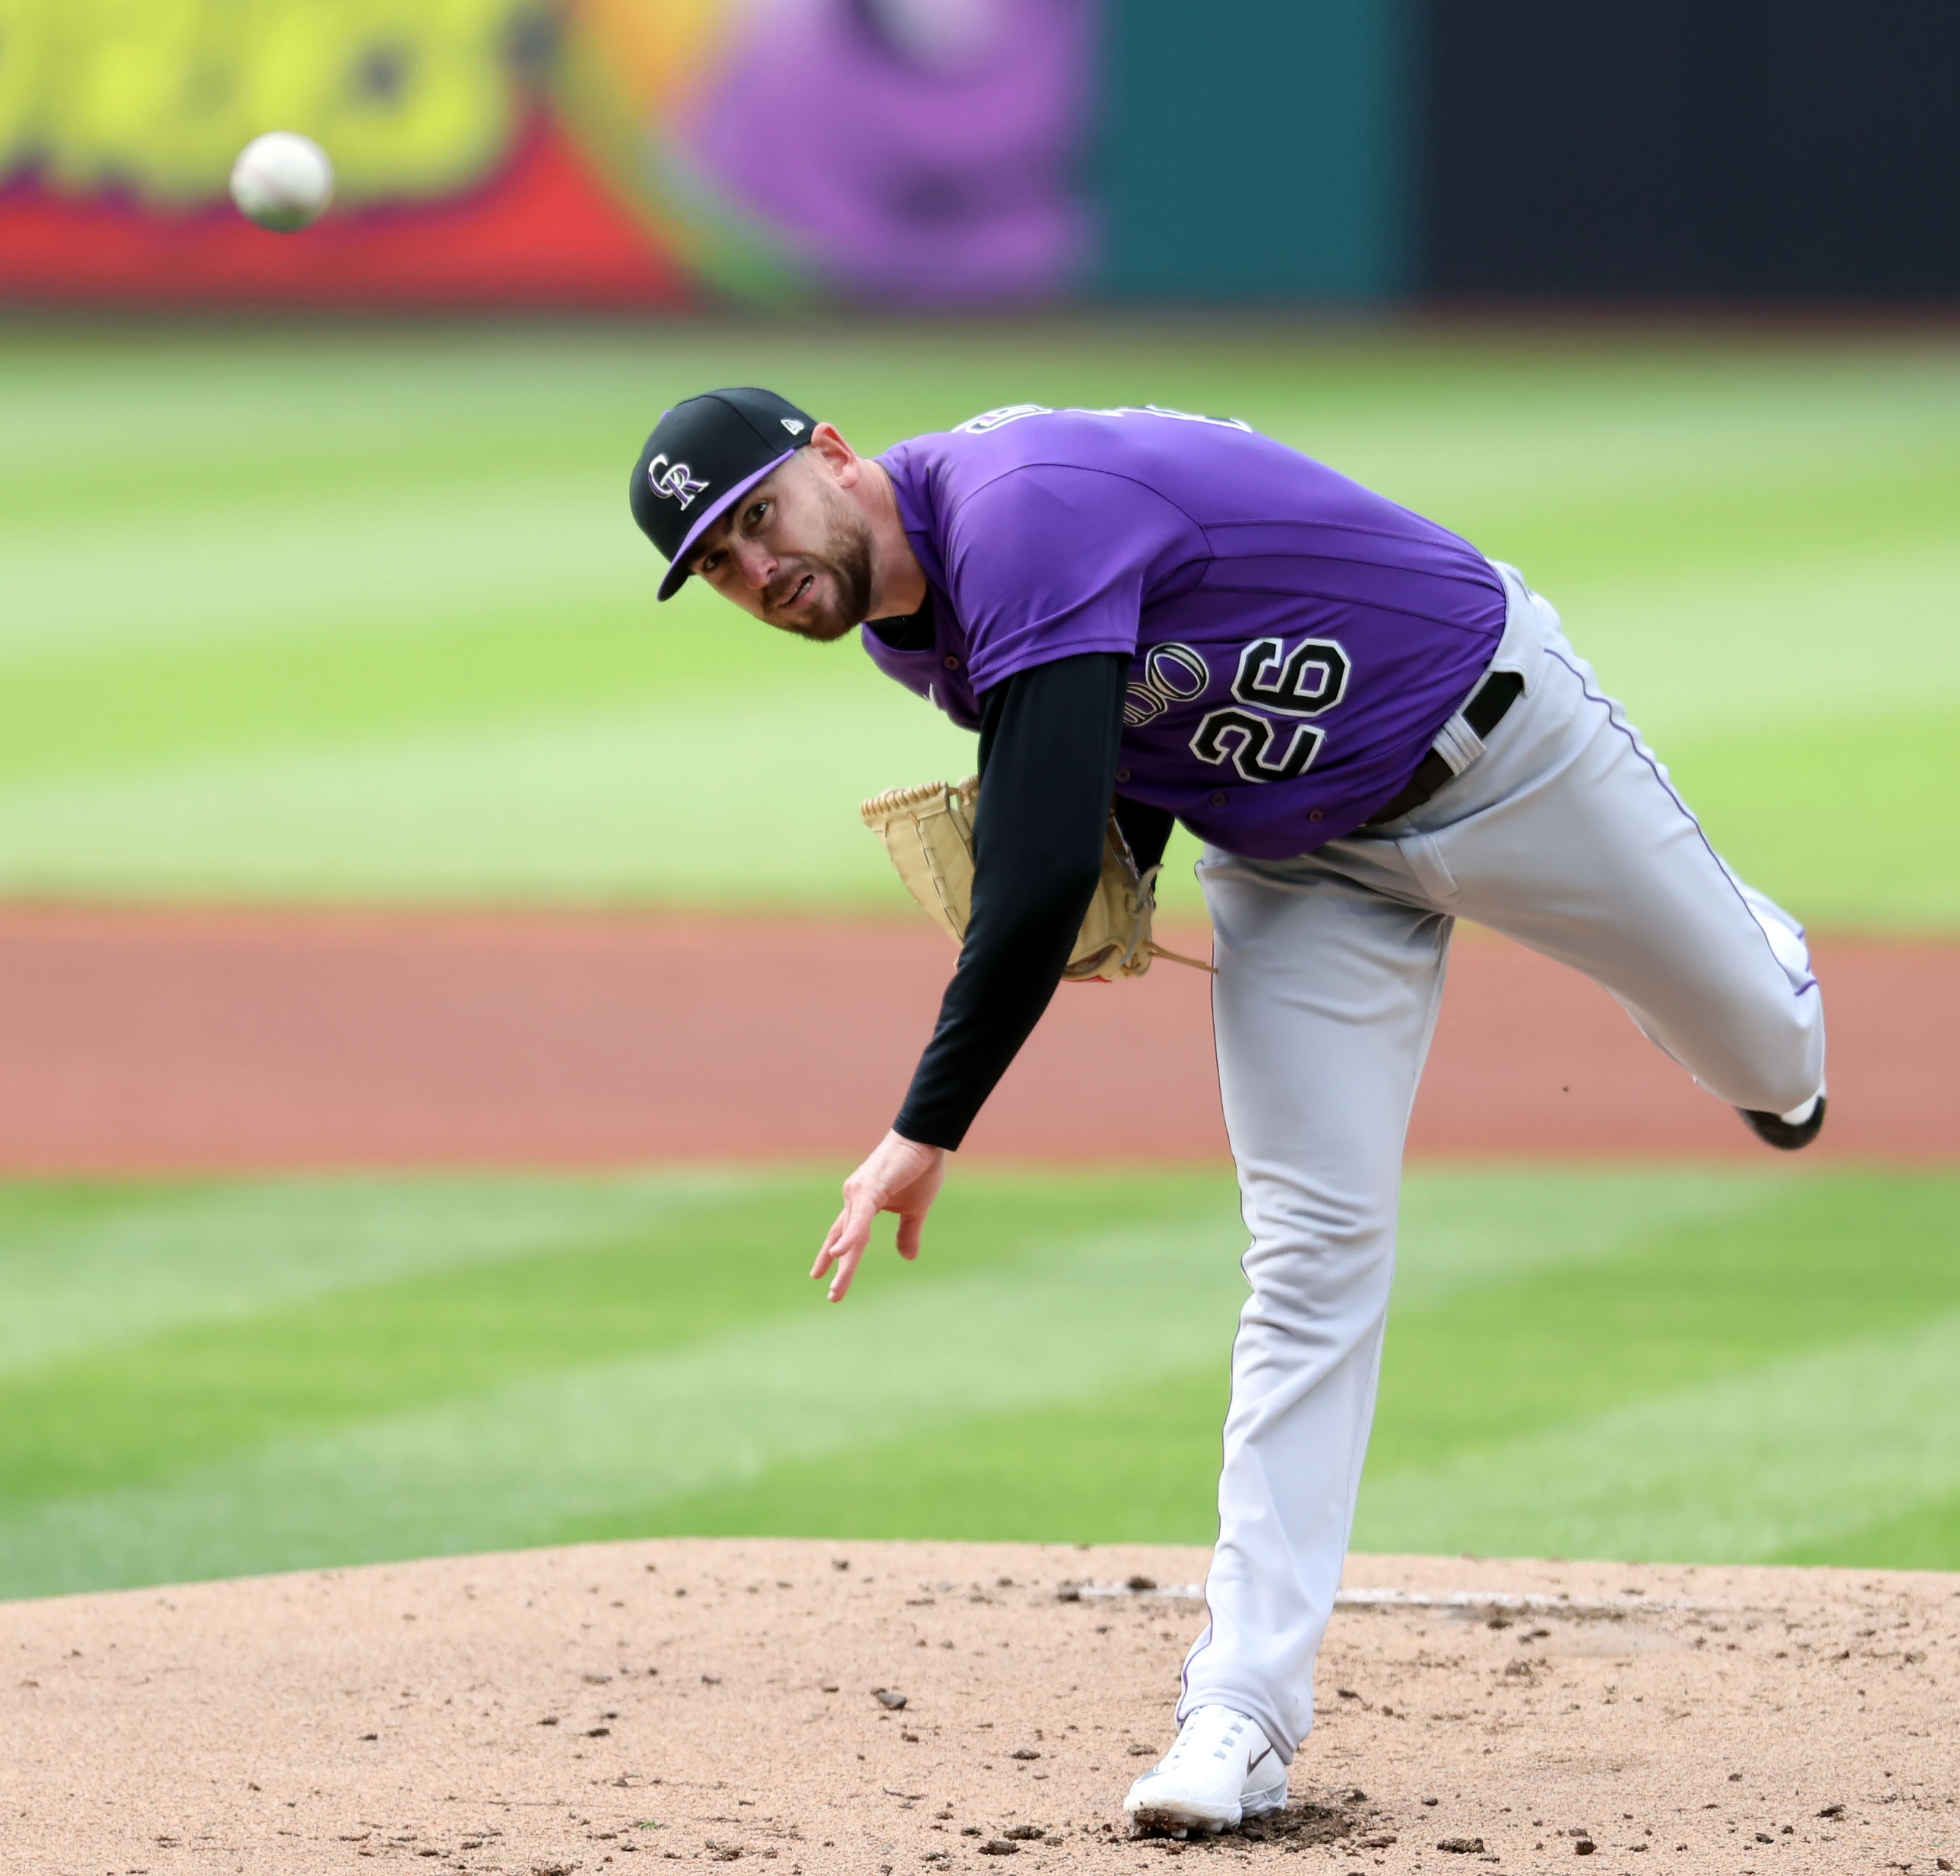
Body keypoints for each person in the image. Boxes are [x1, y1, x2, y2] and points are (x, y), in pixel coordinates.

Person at [627, 387, 1827, 1834]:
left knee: (1763, 1057)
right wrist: (1120, 849)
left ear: (832, 457)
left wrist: (922, 1124)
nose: (757, 574)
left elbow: (1032, 869)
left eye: (755, 520)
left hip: (1504, 751)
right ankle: (1238, 1716)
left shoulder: (1020, 509)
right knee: (1309, 1255)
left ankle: (1756, 957)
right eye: (718, 568)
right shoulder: (900, 627)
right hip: (1299, 866)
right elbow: (1118, 758)